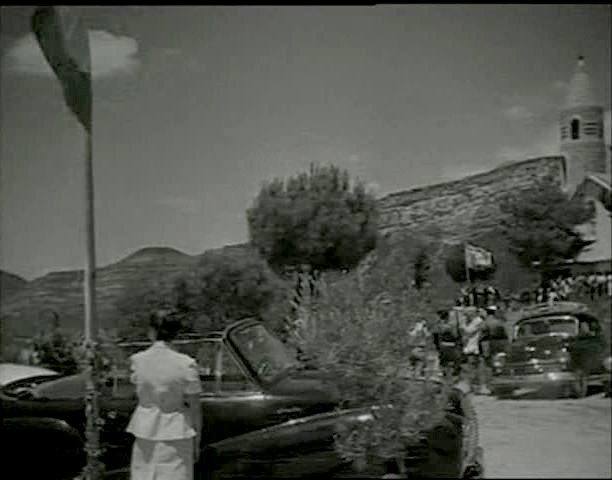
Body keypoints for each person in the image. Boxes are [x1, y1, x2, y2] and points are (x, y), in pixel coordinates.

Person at [126, 310, 203, 480]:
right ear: (176, 333)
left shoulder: (137, 360)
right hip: (176, 430)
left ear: (152, 331)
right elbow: (195, 405)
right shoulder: (186, 364)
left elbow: (137, 391)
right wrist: (197, 440)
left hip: (144, 429)